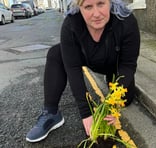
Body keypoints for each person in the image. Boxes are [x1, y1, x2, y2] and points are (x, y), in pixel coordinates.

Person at [26, 0, 140, 143]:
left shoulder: (127, 21)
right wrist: (86, 112)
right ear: (79, 7)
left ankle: (111, 79)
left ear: (110, 2)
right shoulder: (71, 24)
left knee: (127, 98)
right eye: (88, 7)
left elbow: (128, 65)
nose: (96, 14)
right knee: (56, 52)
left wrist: (112, 104)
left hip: (115, 65)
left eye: (101, 3)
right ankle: (51, 112)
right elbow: (73, 70)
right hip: (87, 58)